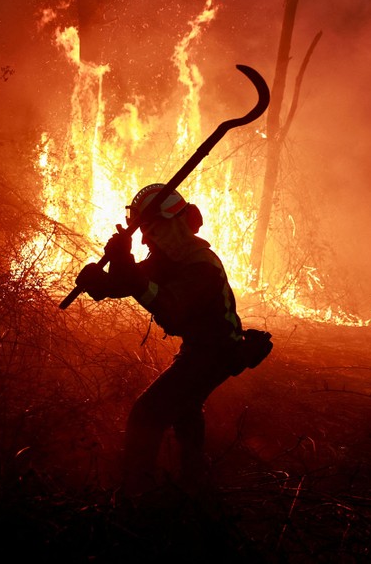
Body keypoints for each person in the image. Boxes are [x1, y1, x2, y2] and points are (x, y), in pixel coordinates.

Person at [76, 183, 267, 496]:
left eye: (149, 229)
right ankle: (195, 487)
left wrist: (124, 263)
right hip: (201, 349)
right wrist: (99, 281)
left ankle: (137, 497)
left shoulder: (199, 265)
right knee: (184, 409)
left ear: (171, 225)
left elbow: (168, 308)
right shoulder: (172, 257)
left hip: (216, 353)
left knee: (147, 415)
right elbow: (131, 281)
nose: (145, 238)